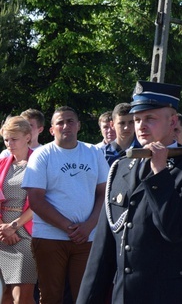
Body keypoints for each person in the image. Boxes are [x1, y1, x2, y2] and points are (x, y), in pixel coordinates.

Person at [77, 81, 182, 304]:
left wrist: (160, 173)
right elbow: (103, 250)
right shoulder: (121, 168)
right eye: (137, 119)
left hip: (171, 296)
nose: (140, 126)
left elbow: (176, 229)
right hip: (127, 296)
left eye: (150, 119)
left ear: (172, 122)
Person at [22, 106, 109, 304]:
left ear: (78, 125)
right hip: (50, 238)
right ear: (52, 129)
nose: (65, 126)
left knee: (85, 296)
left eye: (70, 121)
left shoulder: (93, 153)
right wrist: (69, 228)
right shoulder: (42, 155)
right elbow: (35, 199)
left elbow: (104, 193)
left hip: (87, 238)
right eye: (60, 122)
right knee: (51, 297)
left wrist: (88, 226)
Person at [0, 117, 36, 304]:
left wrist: (13, 227)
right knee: (5, 294)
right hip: (1, 234)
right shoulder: (2, 163)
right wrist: (3, 228)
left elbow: (40, 202)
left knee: (22, 296)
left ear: (28, 137)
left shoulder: (39, 162)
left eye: (14, 139)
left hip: (26, 233)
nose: (9, 144)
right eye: (6, 139)